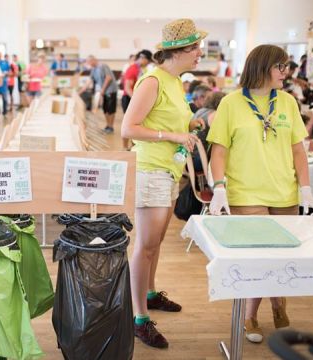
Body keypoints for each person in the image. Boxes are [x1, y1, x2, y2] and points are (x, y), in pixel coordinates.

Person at [207, 44, 313, 344]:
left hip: (284, 194)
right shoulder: (231, 103)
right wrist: (219, 188)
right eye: (280, 67)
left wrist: (305, 188)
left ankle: (278, 303)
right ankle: (250, 316)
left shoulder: (288, 102)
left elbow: (298, 150)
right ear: (262, 67)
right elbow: (218, 152)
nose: (286, 73)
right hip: (247, 195)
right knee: (258, 259)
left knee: (283, 258)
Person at [121, 18, 207, 349]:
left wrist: (191, 121)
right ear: (179, 50)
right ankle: (138, 317)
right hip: (150, 170)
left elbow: (171, 118)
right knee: (145, 245)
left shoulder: (174, 81)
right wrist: (172, 134)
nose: (200, 53)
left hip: (169, 170)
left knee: (155, 242)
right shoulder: (152, 80)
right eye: (196, 47)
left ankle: (150, 293)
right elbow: (129, 128)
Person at [121, 50, 153, 149]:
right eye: (148, 61)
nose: (148, 63)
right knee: (128, 124)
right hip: (129, 98)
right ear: (142, 58)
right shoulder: (133, 69)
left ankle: (133, 145)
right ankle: (125, 147)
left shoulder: (142, 69)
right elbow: (127, 88)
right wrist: (137, 100)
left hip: (135, 98)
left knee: (136, 124)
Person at [86, 55, 118, 134]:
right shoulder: (93, 69)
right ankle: (108, 126)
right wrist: (82, 90)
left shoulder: (103, 66)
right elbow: (90, 80)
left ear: (93, 60)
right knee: (105, 109)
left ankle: (111, 127)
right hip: (103, 92)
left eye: (89, 62)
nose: (89, 64)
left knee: (110, 110)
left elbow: (108, 78)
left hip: (111, 90)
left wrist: (103, 89)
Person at [0, 51, 10, 116]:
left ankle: (5, 112)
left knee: (4, 98)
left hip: (4, 83)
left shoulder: (5, 63)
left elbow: (9, 71)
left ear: (1, 55)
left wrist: (5, 73)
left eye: (0, 55)